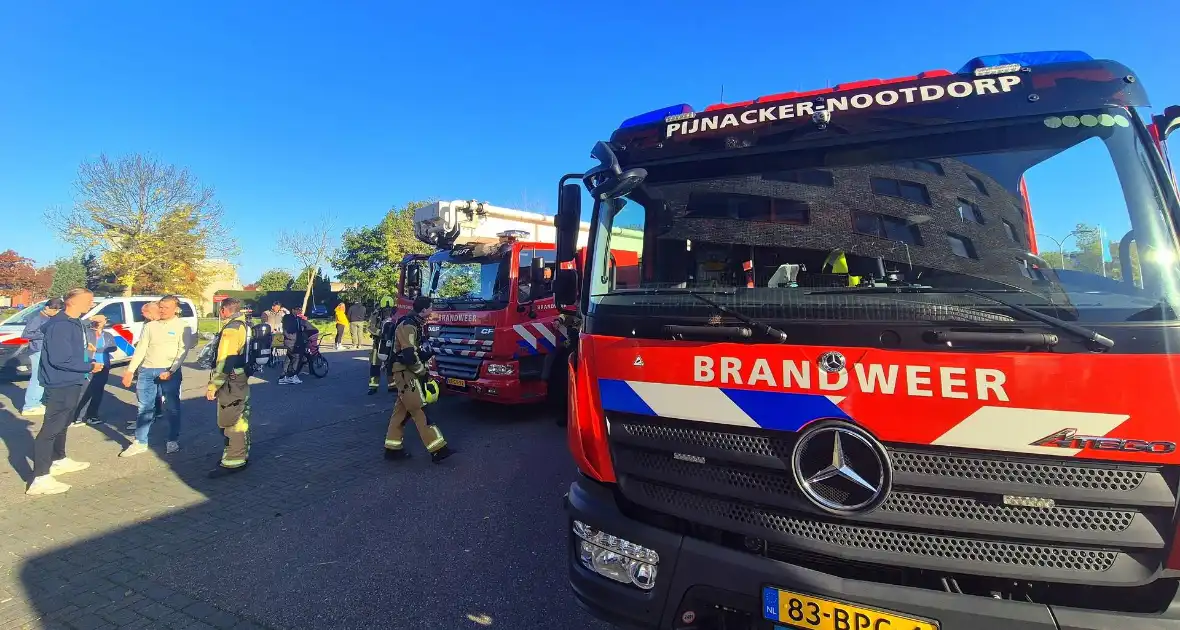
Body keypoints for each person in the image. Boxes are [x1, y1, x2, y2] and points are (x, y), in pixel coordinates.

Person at [26, 288, 102, 496]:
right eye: (89, 301)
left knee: (63, 423)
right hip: (60, 383)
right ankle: (39, 478)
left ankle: (59, 459)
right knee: (51, 428)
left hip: (71, 380)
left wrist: (93, 325)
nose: (91, 304)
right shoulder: (60, 325)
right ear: (73, 302)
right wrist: (89, 366)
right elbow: (60, 360)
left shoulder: (72, 322)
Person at [119, 295, 194, 457]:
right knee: (144, 407)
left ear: (176, 309)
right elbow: (141, 349)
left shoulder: (183, 326)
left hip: (168, 371)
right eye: (161, 307)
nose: (162, 310)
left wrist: (172, 370)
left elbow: (183, 351)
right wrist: (130, 370)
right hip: (147, 370)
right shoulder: (150, 326)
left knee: (172, 407)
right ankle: (140, 441)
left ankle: (172, 440)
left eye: (166, 308)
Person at [384, 296, 454, 463]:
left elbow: (413, 351)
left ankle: (392, 449)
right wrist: (423, 373)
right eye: (430, 308)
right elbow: (409, 355)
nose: (432, 312)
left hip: (405, 373)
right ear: (423, 310)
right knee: (420, 409)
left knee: (401, 413)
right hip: (406, 373)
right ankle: (438, 449)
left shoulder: (415, 324)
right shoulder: (408, 326)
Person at [206, 298, 252, 478]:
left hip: (231, 380)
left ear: (224, 310)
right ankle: (241, 453)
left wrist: (214, 384)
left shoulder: (231, 329)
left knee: (231, 419)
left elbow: (225, 359)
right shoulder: (244, 324)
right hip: (240, 377)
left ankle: (233, 460)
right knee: (241, 416)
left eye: (220, 310)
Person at [20, 297, 64, 416]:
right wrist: (46, 333)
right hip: (37, 350)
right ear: (46, 307)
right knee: (37, 378)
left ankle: (37, 402)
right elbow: (26, 334)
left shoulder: (48, 318)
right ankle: (30, 406)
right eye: (54, 310)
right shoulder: (37, 318)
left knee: (42, 377)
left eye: (58, 311)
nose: (56, 313)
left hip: (45, 350)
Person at [74, 313, 115, 426]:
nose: (101, 323)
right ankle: (77, 416)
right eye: (99, 320)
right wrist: (91, 318)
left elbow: (113, 347)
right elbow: (77, 324)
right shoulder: (87, 332)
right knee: (85, 391)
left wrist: (98, 349)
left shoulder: (107, 335)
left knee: (98, 392)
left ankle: (92, 416)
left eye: (103, 320)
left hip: (103, 365)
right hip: (89, 365)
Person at [280, 307, 316, 384]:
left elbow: (305, 324)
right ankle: (291, 376)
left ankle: (284, 377)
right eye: (298, 309)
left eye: (300, 310)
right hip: (292, 342)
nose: (300, 311)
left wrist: (313, 330)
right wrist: (293, 338)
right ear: (292, 310)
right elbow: (287, 330)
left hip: (295, 341)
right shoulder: (288, 318)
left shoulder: (297, 318)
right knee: (297, 357)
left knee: (289, 358)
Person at [367, 306, 397, 394]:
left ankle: (392, 386)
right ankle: (373, 386)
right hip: (378, 343)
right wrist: (380, 333)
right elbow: (370, 327)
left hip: (392, 343)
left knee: (390, 365)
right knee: (375, 365)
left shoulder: (396, 313)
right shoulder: (376, 315)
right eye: (385, 310)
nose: (387, 311)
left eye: (389, 309)